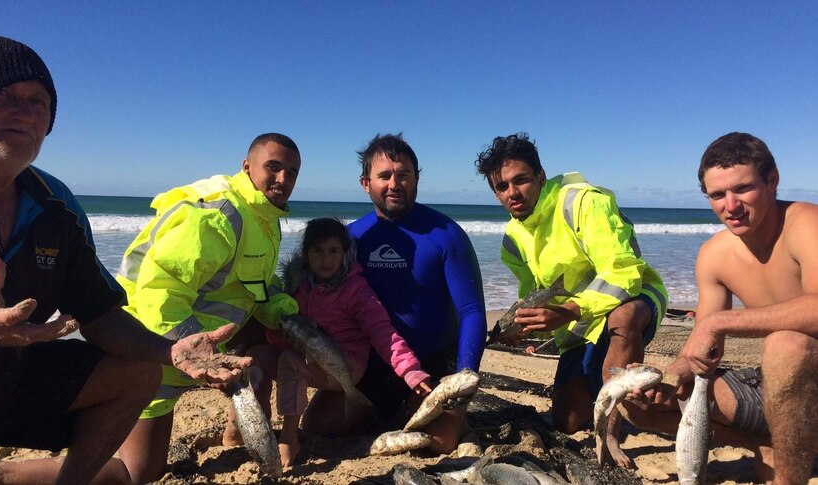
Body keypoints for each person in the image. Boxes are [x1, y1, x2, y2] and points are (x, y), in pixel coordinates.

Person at [0, 34, 248, 485]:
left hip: (6, 384)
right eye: (2, 96)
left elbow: (100, 316)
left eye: (39, 102)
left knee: (137, 372)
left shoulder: (55, 208)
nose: (24, 111)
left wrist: (168, 349)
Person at [621, 132, 818, 484]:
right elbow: (701, 347)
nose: (731, 205)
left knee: (786, 345)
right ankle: (769, 444)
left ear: (772, 180)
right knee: (634, 400)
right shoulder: (715, 254)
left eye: (742, 189)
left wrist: (722, 322)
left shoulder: (806, 224)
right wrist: (670, 374)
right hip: (783, 393)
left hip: (803, 380)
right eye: (717, 195)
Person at [111, 132, 303, 481]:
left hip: (207, 340)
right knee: (139, 473)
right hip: (152, 347)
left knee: (260, 353)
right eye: (273, 168)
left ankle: (235, 433)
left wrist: (281, 310)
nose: (283, 179)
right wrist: (199, 358)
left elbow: (252, 285)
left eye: (292, 172)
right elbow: (158, 293)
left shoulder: (264, 216)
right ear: (247, 166)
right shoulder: (220, 214)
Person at [473, 132, 668, 467]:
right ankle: (615, 383)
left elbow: (623, 273)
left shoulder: (583, 202)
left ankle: (611, 432)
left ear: (540, 176)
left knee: (624, 318)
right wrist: (527, 329)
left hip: (634, 300)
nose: (512, 193)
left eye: (521, 180)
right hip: (577, 323)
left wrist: (567, 310)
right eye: (501, 187)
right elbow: (534, 295)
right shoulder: (512, 239)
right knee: (566, 421)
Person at [329, 133, 487, 455]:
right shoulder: (351, 239)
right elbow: (326, 298)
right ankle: (381, 410)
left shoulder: (446, 235)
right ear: (365, 183)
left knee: (440, 442)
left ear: (417, 178)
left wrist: (464, 376)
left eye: (404, 175)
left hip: (431, 364)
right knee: (319, 427)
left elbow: (471, 311)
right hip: (370, 363)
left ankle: (429, 414)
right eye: (384, 175)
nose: (394, 183)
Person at [243, 217, 432, 467]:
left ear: (345, 253)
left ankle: (289, 438)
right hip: (309, 356)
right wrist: (278, 336)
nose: (326, 259)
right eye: (318, 251)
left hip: (346, 363)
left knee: (290, 360)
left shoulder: (355, 289)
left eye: (334, 251)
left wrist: (410, 370)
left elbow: (381, 331)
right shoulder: (299, 286)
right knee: (253, 356)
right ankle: (257, 428)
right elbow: (287, 328)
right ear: (306, 254)